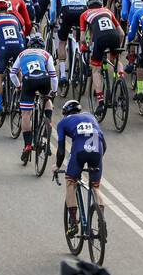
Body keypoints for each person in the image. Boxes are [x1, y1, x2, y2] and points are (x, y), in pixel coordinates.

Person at [53, 100, 106, 239]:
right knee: (95, 187)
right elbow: (104, 144)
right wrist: (96, 161)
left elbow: (61, 149)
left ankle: (73, 222)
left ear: (65, 113)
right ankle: (102, 221)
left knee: (70, 182)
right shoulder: (90, 116)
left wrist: (57, 166)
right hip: (97, 150)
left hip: (80, 151)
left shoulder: (63, 123)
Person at [10, 34, 58, 164]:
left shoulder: (22, 54)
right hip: (43, 80)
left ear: (29, 45)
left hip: (28, 81)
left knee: (26, 114)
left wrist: (18, 86)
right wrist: (54, 91)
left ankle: (27, 145)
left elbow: (12, 73)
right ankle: (47, 121)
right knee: (47, 99)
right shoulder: (46, 54)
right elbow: (53, 76)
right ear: (42, 46)